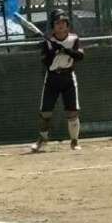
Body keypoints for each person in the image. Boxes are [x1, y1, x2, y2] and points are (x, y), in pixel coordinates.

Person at [32, 9, 84, 153]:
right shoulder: (48, 42)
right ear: (53, 26)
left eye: (63, 22)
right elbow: (46, 62)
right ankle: (42, 139)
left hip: (68, 77)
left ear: (67, 24)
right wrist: (53, 51)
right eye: (57, 23)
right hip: (52, 78)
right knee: (45, 113)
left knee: (72, 111)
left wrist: (65, 50)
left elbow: (80, 56)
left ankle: (74, 141)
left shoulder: (74, 39)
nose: (61, 25)